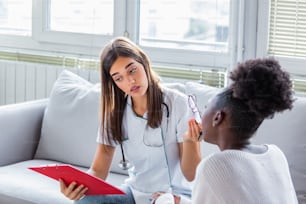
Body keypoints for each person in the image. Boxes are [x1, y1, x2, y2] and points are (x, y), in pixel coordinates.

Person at [59, 36, 200, 204]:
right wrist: (78, 187)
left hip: (175, 196)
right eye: (119, 78)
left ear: (144, 63)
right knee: (86, 202)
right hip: (136, 193)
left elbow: (192, 175)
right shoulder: (115, 114)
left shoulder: (179, 104)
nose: (130, 81)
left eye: (132, 70)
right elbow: (98, 171)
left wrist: (191, 142)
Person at [152, 58, 298, 204]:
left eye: (205, 108)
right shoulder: (275, 154)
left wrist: (164, 201)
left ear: (217, 118)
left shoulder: (215, 165)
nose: (201, 116)